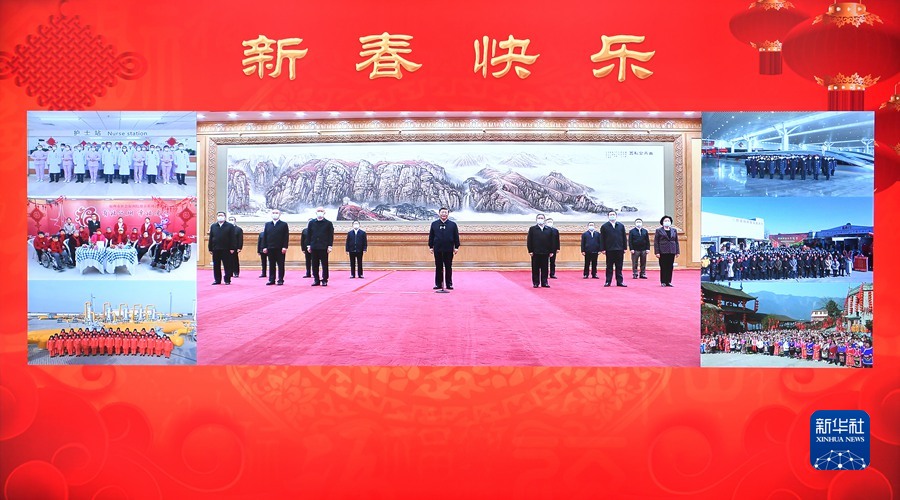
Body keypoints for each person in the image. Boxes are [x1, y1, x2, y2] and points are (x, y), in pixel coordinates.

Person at [428, 207, 460, 290]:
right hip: (437, 249)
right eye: (442, 212)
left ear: (448, 214)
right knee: (438, 266)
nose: (444, 214)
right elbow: (431, 236)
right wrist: (430, 246)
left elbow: (456, 236)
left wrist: (456, 247)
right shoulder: (434, 224)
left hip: (449, 249)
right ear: (439, 214)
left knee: (448, 266)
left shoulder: (453, 225)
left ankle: (449, 284)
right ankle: (438, 284)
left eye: (445, 212)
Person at [307, 207, 335, 286]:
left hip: (324, 247)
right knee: (314, 264)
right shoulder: (311, 223)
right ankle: (316, 279)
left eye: (321, 211)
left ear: (324, 212)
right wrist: (308, 245)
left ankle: (325, 280)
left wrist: (330, 246)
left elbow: (330, 236)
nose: (320, 212)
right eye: (318, 211)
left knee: (324, 264)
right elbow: (309, 235)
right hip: (314, 246)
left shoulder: (328, 223)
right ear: (316, 212)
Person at [599, 210, 627, 287]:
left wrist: (625, 247)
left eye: (613, 214)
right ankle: (608, 281)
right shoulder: (604, 226)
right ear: (608, 216)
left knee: (619, 266)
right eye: (610, 214)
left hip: (619, 249)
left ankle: (620, 282)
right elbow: (602, 238)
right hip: (609, 249)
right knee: (609, 266)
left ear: (616, 216)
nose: (612, 216)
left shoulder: (621, 226)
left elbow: (624, 237)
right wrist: (602, 249)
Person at [208, 211, 237, 285]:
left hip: (226, 249)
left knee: (227, 265)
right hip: (216, 249)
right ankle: (217, 280)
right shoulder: (213, 226)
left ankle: (227, 279)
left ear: (225, 217)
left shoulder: (230, 226)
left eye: (222, 215)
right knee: (216, 265)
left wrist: (232, 248)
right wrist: (210, 248)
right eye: (219, 215)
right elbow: (211, 237)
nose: (220, 217)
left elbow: (233, 238)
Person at [262, 209, 290, 286]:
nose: (275, 214)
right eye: (273, 213)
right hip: (270, 247)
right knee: (271, 264)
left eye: (276, 213)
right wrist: (264, 247)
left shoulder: (284, 224)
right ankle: (271, 279)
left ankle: (280, 279)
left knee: (280, 264)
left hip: (280, 248)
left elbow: (286, 236)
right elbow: (265, 236)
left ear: (279, 214)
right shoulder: (267, 224)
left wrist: (285, 247)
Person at [526, 213, 554, 288]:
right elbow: (529, 240)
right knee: (535, 268)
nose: (540, 219)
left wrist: (551, 251)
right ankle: (536, 283)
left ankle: (544, 282)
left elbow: (552, 241)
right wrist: (530, 250)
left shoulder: (549, 229)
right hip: (535, 252)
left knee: (545, 268)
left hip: (545, 252)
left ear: (544, 220)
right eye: (539, 218)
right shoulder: (532, 229)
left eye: (542, 218)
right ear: (536, 219)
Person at [655, 215, 680, 287]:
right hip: (662, 251)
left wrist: (677, 251)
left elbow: (676, 241)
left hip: (672, 250)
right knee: (663, 266)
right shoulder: (659, 230)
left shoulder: (674, 230)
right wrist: (657, 252)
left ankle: (668, 281)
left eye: (668, 221)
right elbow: (656, 242)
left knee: (670, 267)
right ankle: (663, 281)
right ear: (662, 222)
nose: (667, 222)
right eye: (665, 221)